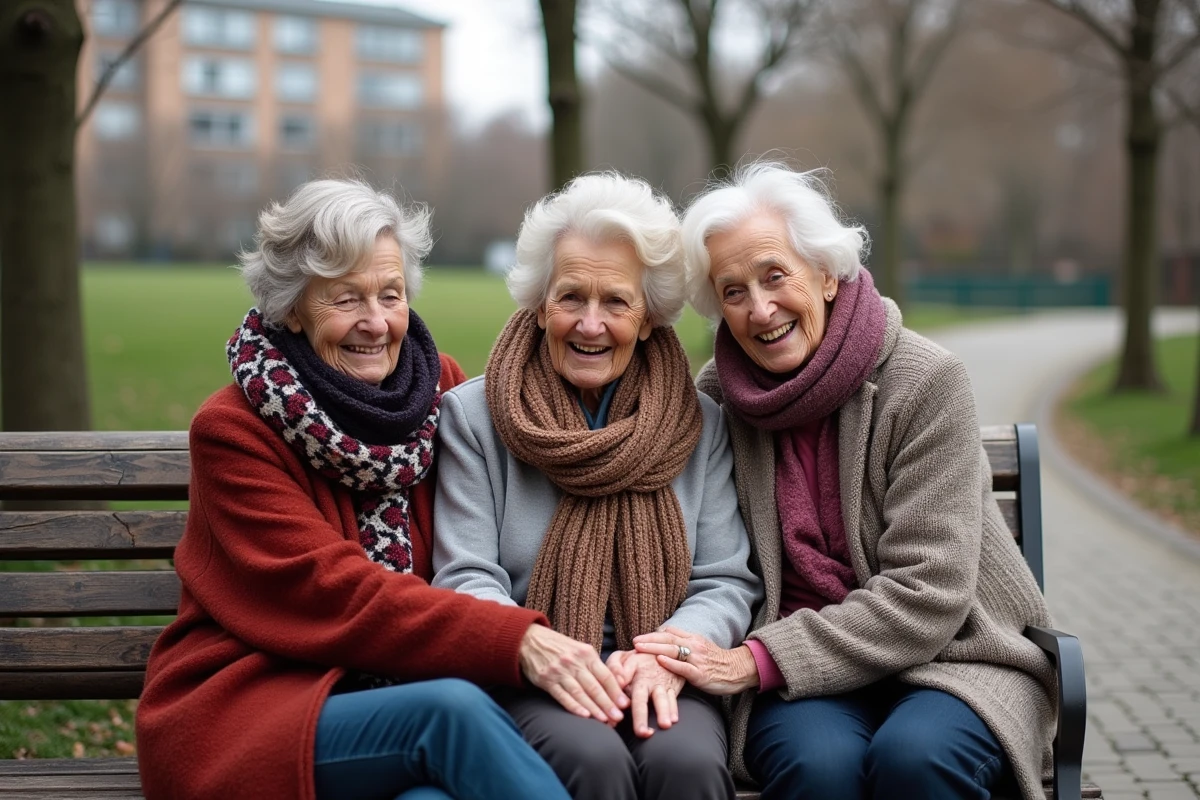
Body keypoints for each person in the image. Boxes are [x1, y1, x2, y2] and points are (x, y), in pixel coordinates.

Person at [135, 179, 623, 800]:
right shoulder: (234, 431)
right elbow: (332, 592)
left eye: (390, 294)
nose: (375, 322)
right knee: (450, 716)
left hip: (391, 703)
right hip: (254, 711)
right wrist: (515, 639)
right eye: (345, 300)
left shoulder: (439, 387)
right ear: (291, 309)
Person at [631, 163, 1058, 800]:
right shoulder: (718, 396)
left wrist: (752, 660)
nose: (760, 309)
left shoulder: (925, 380)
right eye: (733, 291)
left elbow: (930, 591)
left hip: (954, 659)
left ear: (827, 274)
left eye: (776, 276)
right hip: (805, 678)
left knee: (915, 760)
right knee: (819, 770)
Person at [431, 172, 762, 800]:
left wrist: (667, 657)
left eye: (615, 301)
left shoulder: (699, 423)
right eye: (570, 298)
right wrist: (541, 649)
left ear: (648, 318)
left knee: (685, 765)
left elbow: (724, 579)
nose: (590, 324)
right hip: (532, 667)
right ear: (538, 303)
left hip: (660, 665)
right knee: (593, 760)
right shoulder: (474, 418)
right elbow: (464, 575)